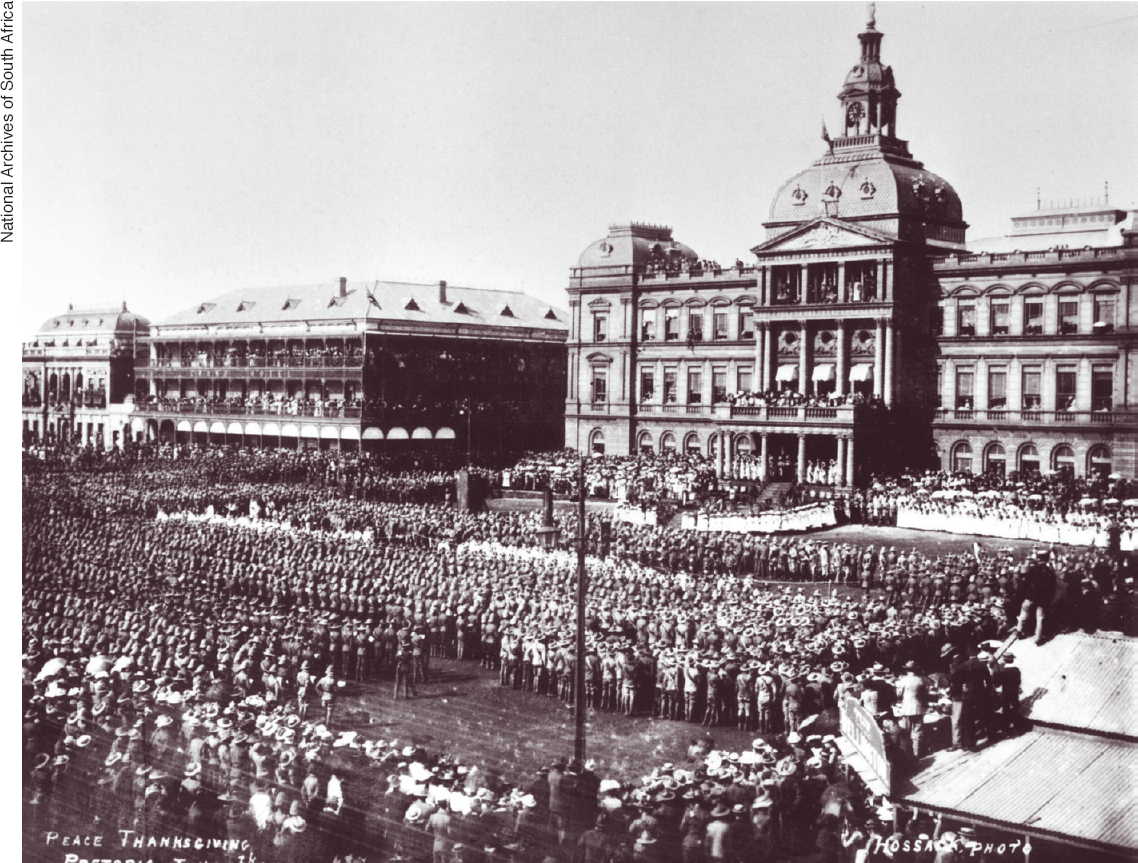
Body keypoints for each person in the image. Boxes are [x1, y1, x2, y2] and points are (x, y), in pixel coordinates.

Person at [895, 661, 929, 759]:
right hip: (918, 708)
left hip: (906, 709)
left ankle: (906, 755)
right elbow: (924, 695)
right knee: (917, 732)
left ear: (906, 670)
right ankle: (916, 754)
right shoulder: (920, 680)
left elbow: (898, 694)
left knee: (905, 732)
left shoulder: (903, 680)